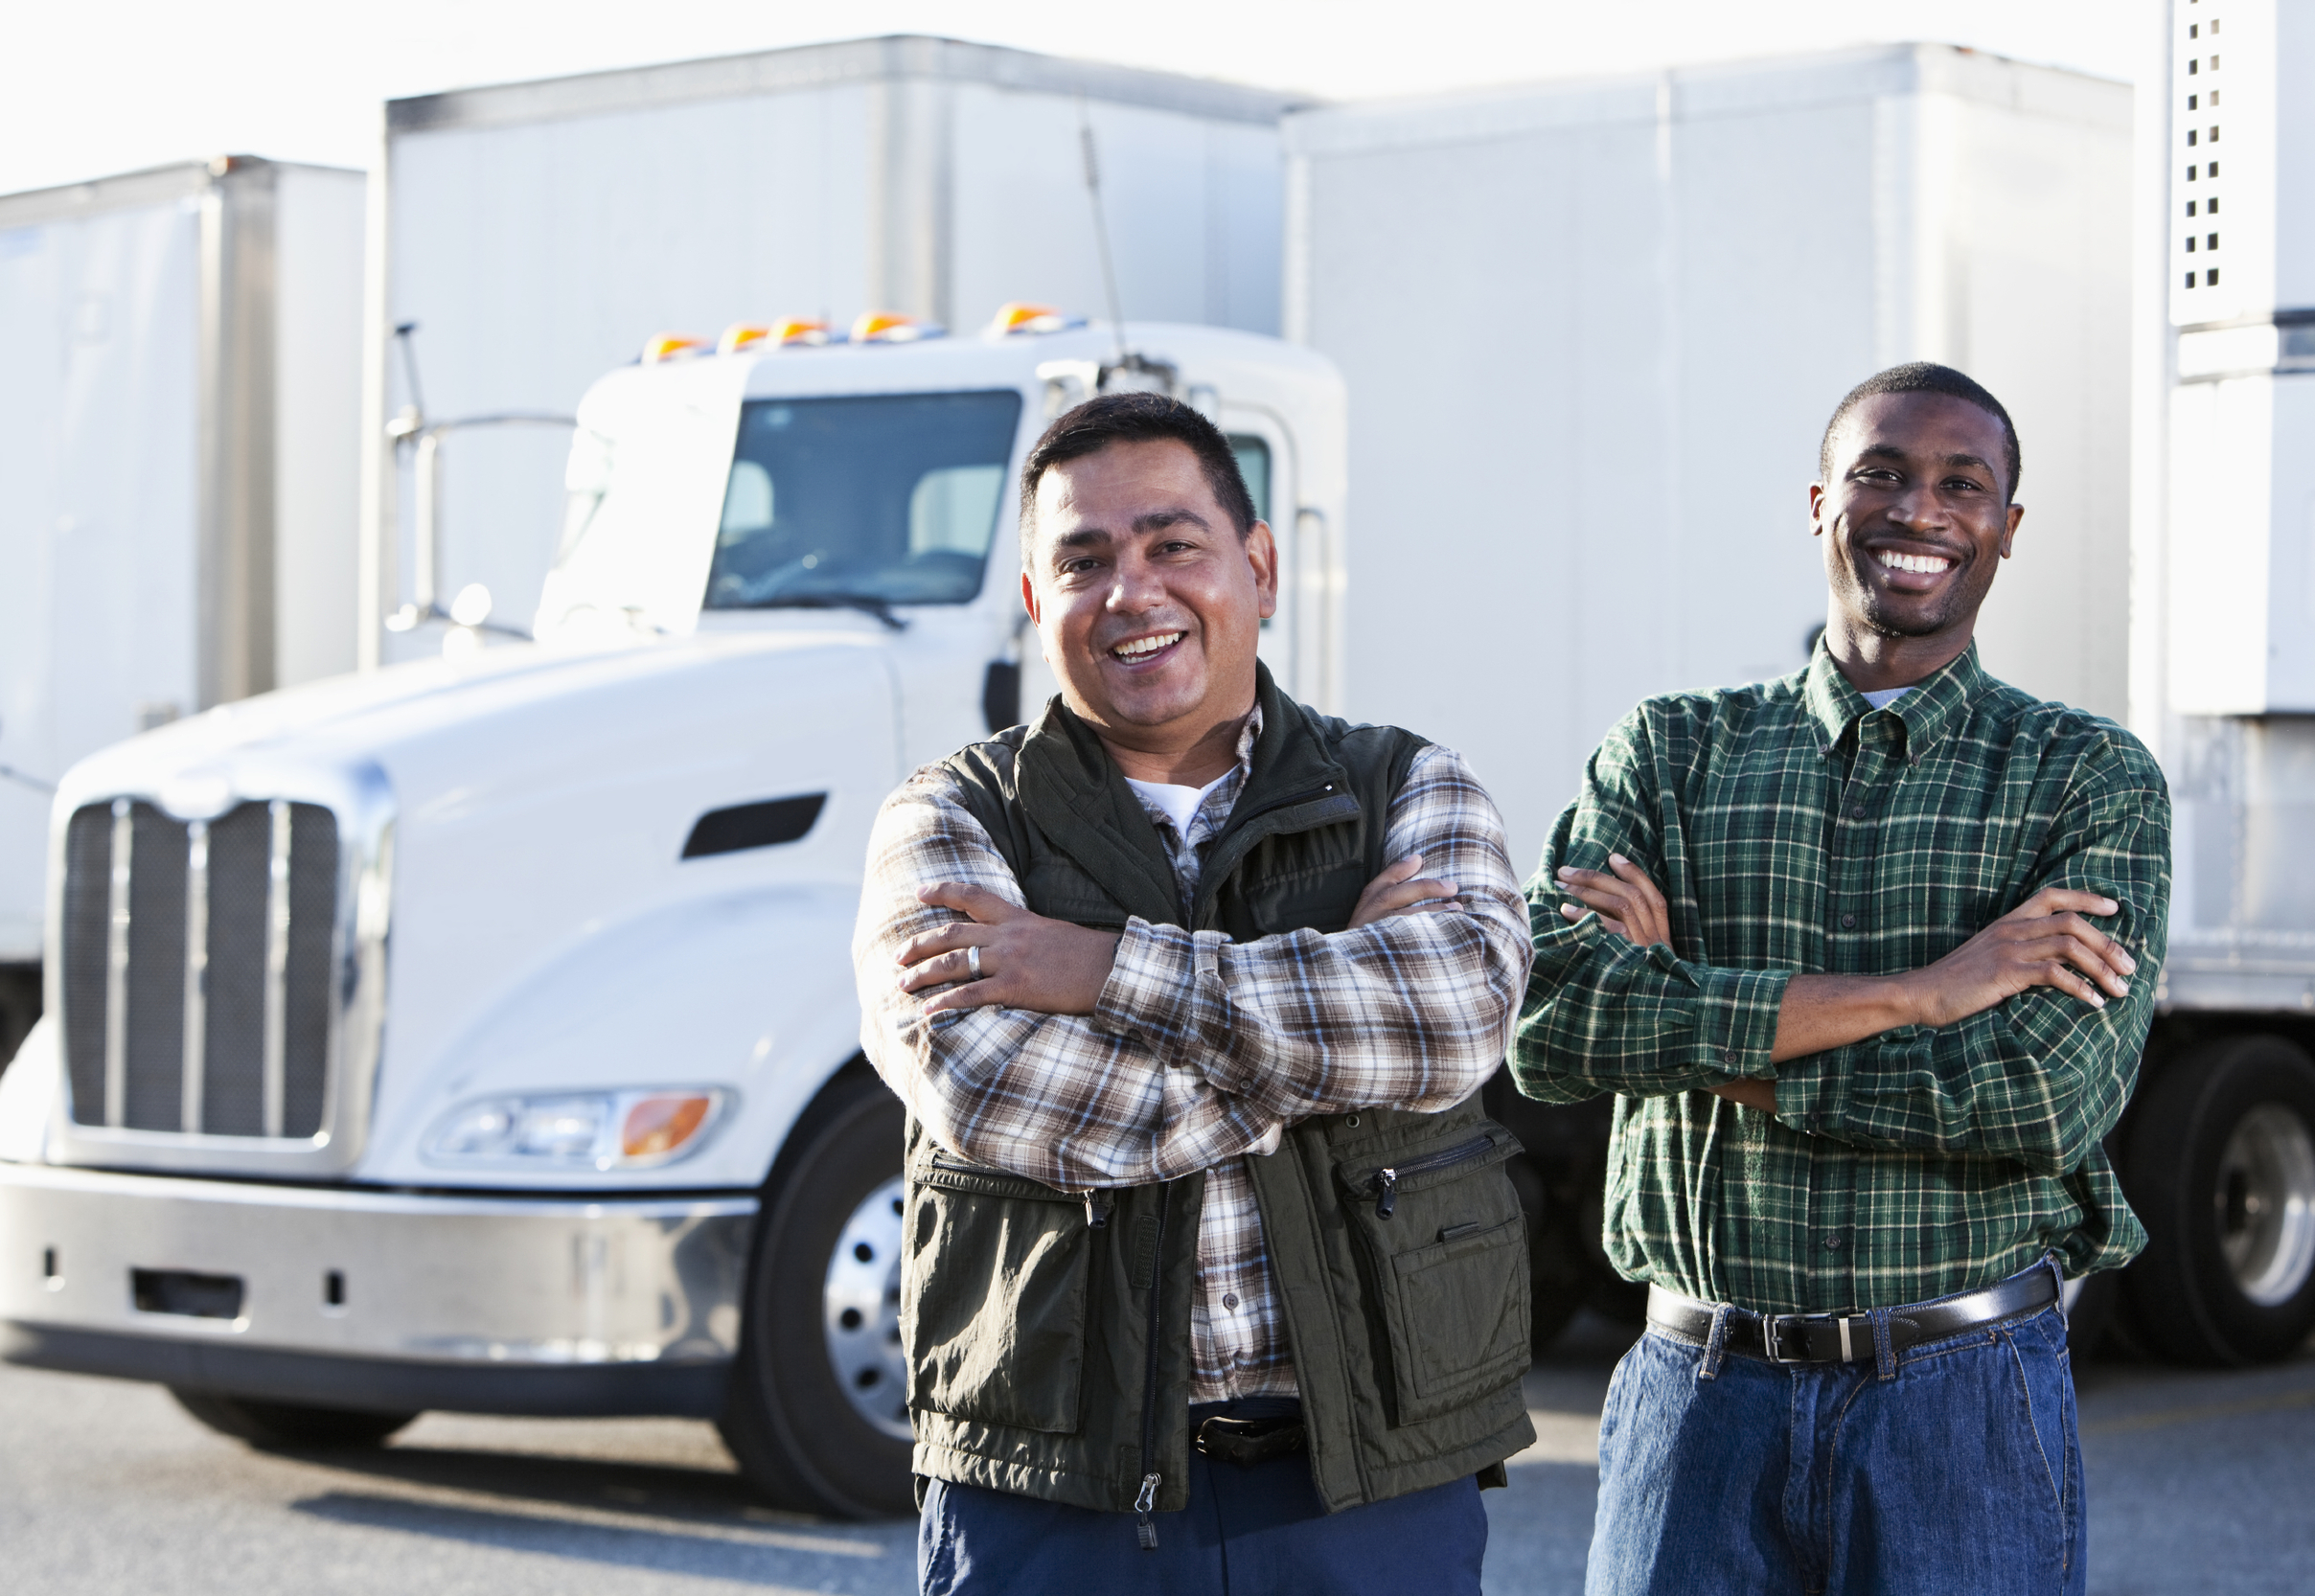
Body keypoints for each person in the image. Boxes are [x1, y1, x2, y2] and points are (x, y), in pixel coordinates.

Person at [854, 391, 1535, 1596]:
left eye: (1174, 544)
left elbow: (1457, 1017)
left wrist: (1102, 971)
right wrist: (1319, 1047)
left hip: (1363, 1488)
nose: (1132, 592)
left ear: (1259, 568)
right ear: (1033, 602)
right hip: (1053, 1499)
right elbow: (998, 1088)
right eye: (1083, 560)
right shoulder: (948, 818)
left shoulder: (1408, 785)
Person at [1510, 362, 2170, 1596]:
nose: (1917, 510)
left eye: (1960, 483)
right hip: (1694, 1406)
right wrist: (1933, 989)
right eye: (1879, 473)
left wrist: (1698, 1022)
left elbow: (2038, 1100)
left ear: (2006, 530)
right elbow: (1554, 1025)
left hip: (1959, 1410)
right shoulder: (1669, 750)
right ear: (1819, 502)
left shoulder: (2084, 779)